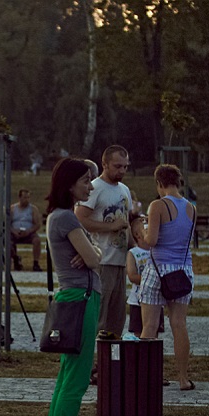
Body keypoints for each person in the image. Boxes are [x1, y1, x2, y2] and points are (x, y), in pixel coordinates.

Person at [44, 157, 101, 416]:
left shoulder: (59, 216)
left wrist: (91, 252)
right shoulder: (67, 218)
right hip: (82, 298)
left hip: (75, 296)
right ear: (69, 185)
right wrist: (90, 253)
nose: (90, 187)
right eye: (85, 181)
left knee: (67, 376)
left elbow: (94, 254)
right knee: (77, 378)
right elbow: (94, 259)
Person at [139, 164, 195, 390]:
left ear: (159, 183)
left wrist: (142, 230)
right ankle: (183, 378)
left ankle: (145, 376)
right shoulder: (191, 207)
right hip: (183, 271)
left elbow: (151, 241)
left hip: (158, 269)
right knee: (179, 324)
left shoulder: (158, 205)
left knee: (150, 325)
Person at [75, 145, 132, 338]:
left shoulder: (124, 189)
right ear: (105, 164)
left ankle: (109, 355)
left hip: (120, 261)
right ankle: (92, 354)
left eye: (125, 166)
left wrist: (136, 248)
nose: (122, 171)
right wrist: (110, 226)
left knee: (116, 320)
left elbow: (126, 223)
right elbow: (80, 219)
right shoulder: (95, 188)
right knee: (99, 317)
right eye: (117, 166)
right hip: (102, 260)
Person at [125, 214, 164, 340]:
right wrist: (151, 279)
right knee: (139, 332)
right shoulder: (133, 253)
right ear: (138, 235)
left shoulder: (157, 251)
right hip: (137, 301)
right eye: (146, 227)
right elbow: (132, 276)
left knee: (154, 331)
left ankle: (153, 353)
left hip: (156, 299)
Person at [9, 189, 42, 271]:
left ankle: (36, 263)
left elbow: (37, 224)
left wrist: (29, 231)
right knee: (7, 242)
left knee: (37, 240)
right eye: (24, 197)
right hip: (15, 232)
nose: (27, 200)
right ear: (19, 198)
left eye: (28, 197)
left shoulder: (33, 209)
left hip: (29, 233)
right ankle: (15, 259)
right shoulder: (12, 209)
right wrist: (14, 231)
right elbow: (7, 224)